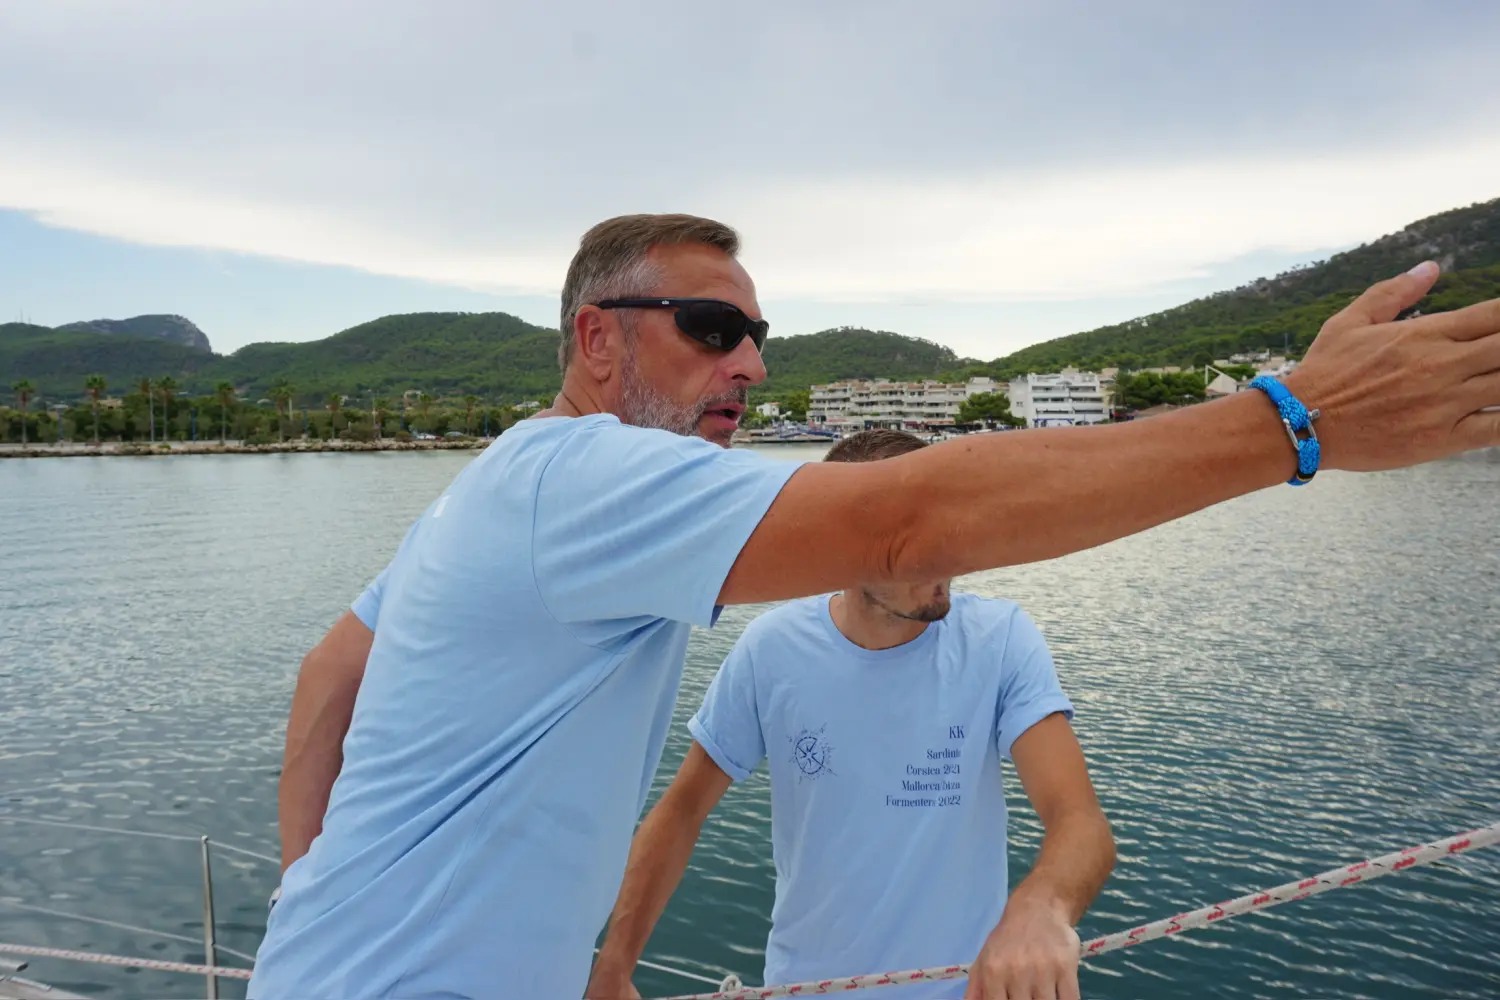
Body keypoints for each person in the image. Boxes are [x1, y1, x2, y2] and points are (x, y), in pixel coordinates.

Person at [249, 212, 1500, 1000]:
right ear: (596, 339)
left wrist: (316, 903)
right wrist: (1295, 421)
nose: (748, 360)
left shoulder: (490, 488)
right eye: (709, 326)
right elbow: (911, 515)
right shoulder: (582, 473)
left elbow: (326, 678)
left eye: (757, 335)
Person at [586, 428, 1115, 1000]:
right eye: (916, 539)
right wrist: (614, 966)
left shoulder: (1000, 640)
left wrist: (1042, 905)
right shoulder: (771, 651)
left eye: (952, 527)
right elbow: (682, 808)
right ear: (843, 547)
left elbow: (1079, 821)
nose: (948, 554)